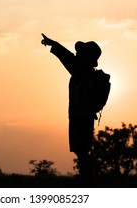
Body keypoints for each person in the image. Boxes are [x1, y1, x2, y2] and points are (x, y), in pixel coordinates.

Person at [41, 33, 102, 180]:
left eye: (80, 52)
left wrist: (54, 44)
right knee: (81, 150)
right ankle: (89, 178)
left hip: (81, 116)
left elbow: (67, 58)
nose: (77, 53)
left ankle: (89, 179)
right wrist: (54, 44)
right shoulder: (82, 71)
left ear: (87, 56)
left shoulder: (82, 71)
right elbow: (70, 58)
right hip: (80, 115)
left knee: (81, 150)